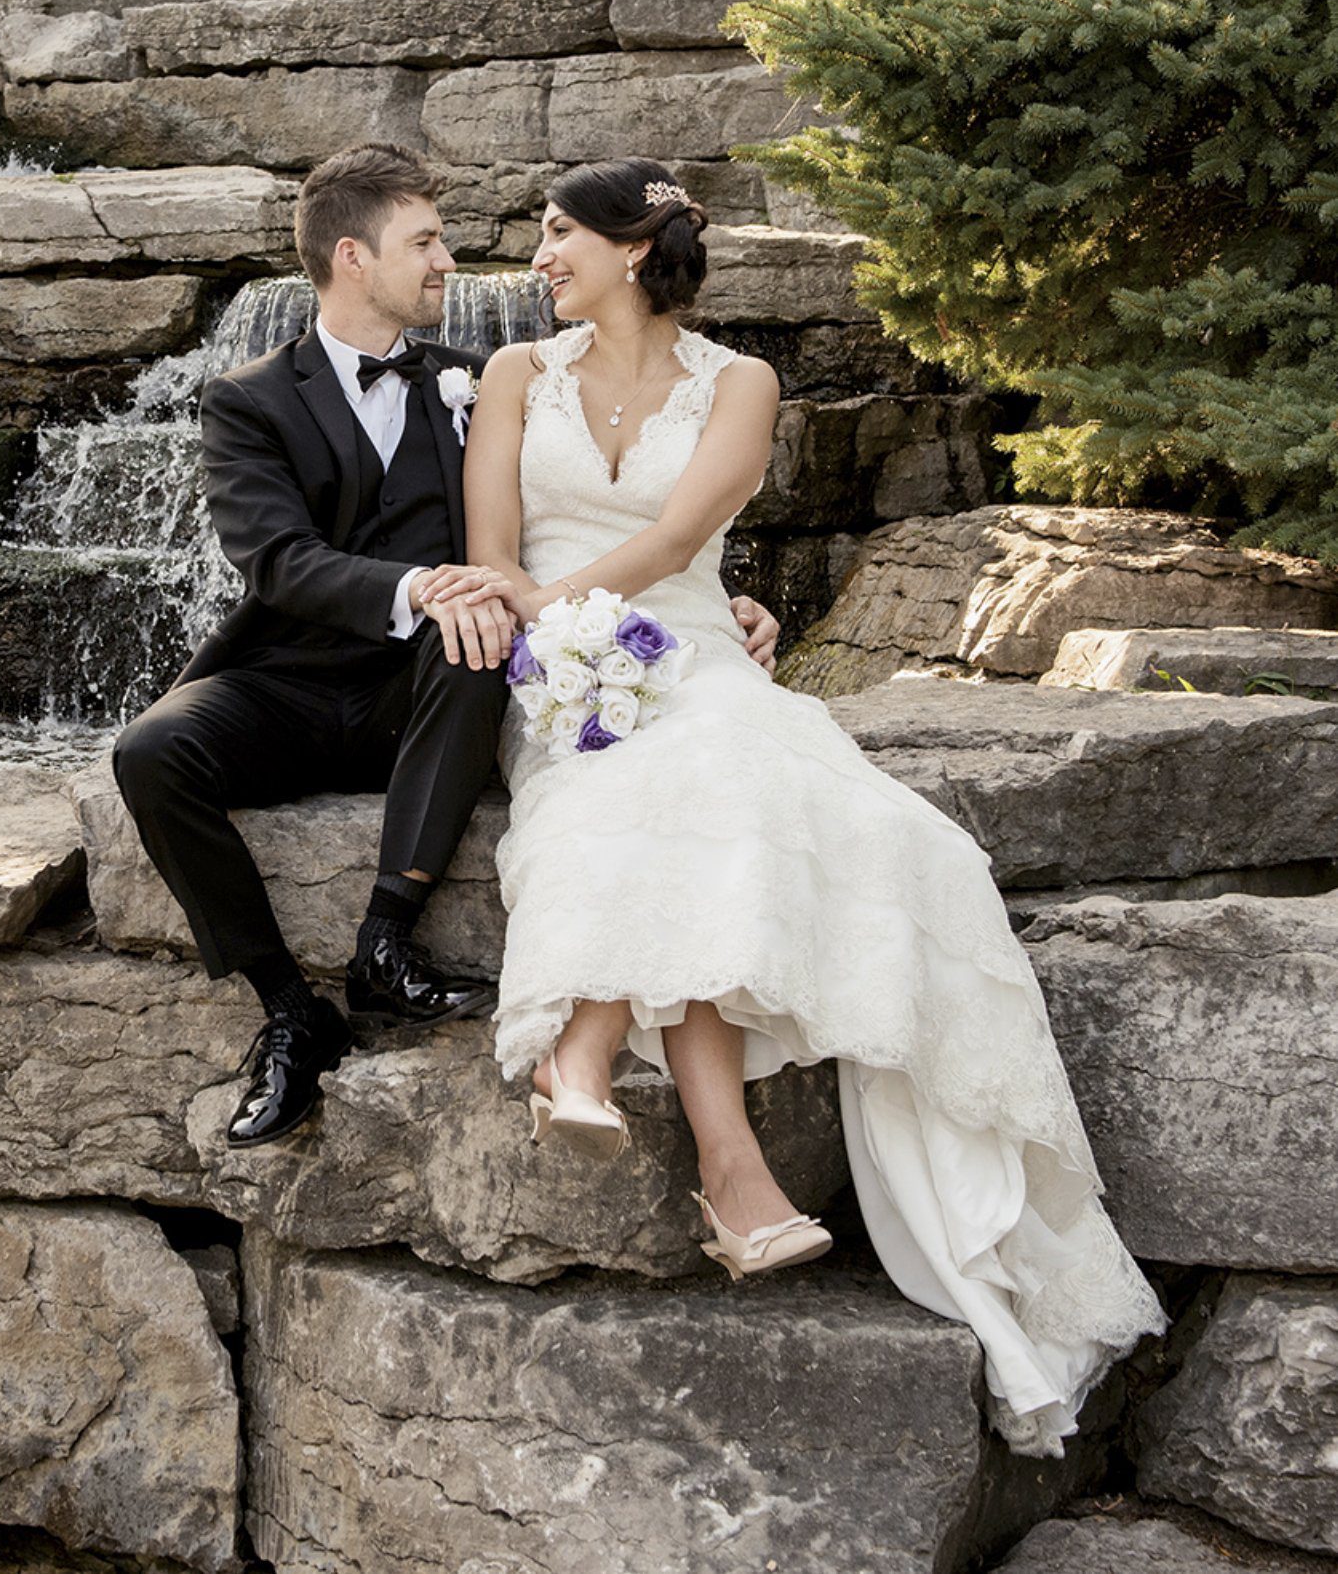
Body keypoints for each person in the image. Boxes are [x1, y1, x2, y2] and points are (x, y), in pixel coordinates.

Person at [430, 157, 1167, 1457]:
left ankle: (593, 1064)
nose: (537, 257)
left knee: (849, 820)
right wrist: (553, 625)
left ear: (633, 246)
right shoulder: (513, 375)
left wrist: (596, 613)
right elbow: (491, 551)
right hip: (555, 669)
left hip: (697, 653)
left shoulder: (742, 383)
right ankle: (715, 1160)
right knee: (675, 778)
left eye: (557, 233)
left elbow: (677, 546)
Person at [111, 143, 782, 1148]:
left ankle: (385, 941)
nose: (448, 263)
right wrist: (416, 587)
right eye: (425, 243)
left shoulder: (486, 381)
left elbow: (590, 515)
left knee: (480, 633)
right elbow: (278, 559)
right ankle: (290, 1008)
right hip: (288, 680)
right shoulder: (248, 398)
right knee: (149, 754)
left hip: (435, 694)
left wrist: (716, 604)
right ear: (353, 257)